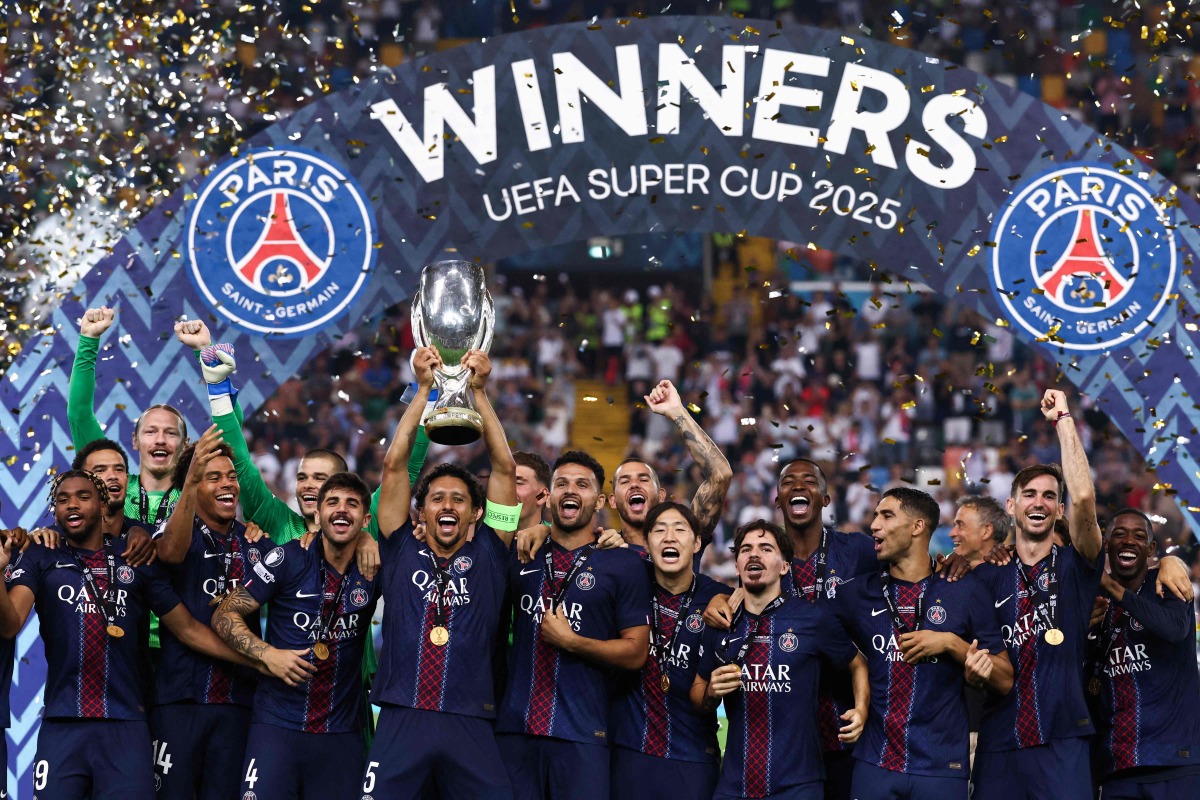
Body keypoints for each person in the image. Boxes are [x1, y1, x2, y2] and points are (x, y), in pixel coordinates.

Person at [0, 471, 254, 799]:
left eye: (83, 497)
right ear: (55, 511)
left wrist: (256, 662)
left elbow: (187, 629)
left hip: (127, 724)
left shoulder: (136, 557)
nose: (72, 505)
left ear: (103, 505)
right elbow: (10, 624)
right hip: (63, 722)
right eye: (63, 500)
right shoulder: (41, 555)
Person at [363, 345, 519, 799]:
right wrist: (423, 391)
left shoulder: (492, 551)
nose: (447, 505)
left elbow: (505, 468)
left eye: (458, 499)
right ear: (422, 511)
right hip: (401, 713)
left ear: (476, 514)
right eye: (437, 498)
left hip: (469, 718)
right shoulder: (399, 547)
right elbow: (394, 465)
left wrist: (480, 393)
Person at [705, 458, 878, 800]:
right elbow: (743, 596)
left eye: (809, 480)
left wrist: (954, 561)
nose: (798, 485)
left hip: (844, 730)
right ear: (777, 500)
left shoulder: (858, 551)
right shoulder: (765, 563)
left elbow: (911, 565)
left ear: (825, 499)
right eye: (788, 481)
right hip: (783, 735)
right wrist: (721, 597)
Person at [832, 488, 1012, 799]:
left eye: (887, 516)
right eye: (875, 516)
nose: (874, 525)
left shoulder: (965, 589)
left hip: (942, 766)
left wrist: (952, 644)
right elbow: (809, 629)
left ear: (917, 526)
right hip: (875, 762)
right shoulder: (855, 593)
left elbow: (1005, 679)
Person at [970, 390, 1106, 800]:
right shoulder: (986, 577)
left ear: (1060, 511)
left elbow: (1085, 497)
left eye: (1050, 496)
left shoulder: (1077, 566)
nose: (1039, 502)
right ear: (1011, 506)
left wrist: (1063, 419)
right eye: (1029, 494)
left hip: (1062, 739)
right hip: (1000, 741)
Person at [212, 472, 379, 800]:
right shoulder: (287, 557)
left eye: (352, 504)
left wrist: (370, 541)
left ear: (365, 519)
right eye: (332, 502)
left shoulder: (374, 568)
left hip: (341, 733)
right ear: (317, 513)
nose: (341, 510)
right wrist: (267, 654)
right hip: (277, 726)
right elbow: (224, 615)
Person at [496, 450, 651, 800]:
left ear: (599, 501)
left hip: (584, 736)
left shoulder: (623, 563)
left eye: (582, 485)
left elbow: (636, 652)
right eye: (562, 484)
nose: (570, 490)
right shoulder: (522, 553)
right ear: (548, 496)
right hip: (516, 731)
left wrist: (572, 642)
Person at [151, 427, 272, 799]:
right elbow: (171, 553)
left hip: (239, 703)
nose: (227, 485)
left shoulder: (258, 545)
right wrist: (263, 660)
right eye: (213, 477)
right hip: (180, 700)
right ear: (191, 484)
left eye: (231, 476)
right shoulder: (168, 535)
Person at [610, 502, 732, 799]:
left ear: (697, 543)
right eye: (659, 530)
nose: (669, 537)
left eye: (679, 529)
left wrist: (732, 597)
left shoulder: (719, 597)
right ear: (646, 543)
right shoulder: (628, 583)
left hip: (694, 758)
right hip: (630, 753)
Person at [1088, 508, 1200, 798]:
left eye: (1139, 536)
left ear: (1151, 549)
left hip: (1175, 762)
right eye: (1119, 534)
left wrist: (1112, 586)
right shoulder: (1094, 603)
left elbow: (1174, 629)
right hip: (1118, 768)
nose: (1128, 541)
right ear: (1107, 544)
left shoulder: (1168, 584)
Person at [70, 308, 190, 531]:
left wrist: (206, 354)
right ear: (135, 440)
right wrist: (89, 339)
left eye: (171, 433)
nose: (160, 440)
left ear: (185, 444)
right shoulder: (109, 485)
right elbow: (79, 414)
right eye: (150, 431)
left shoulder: (196, 495)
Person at [608, 379, 732, 551]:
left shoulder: (683, 541)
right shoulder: (601, 551)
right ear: (612, 500)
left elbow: (720, 475)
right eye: (625, 481)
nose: (634, 485)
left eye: (643, 479)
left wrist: (677, 412)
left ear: (661, 495)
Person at [949, 496, 1010, 567]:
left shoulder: (1014, 570)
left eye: (961, 525)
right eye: (954, 525)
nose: (951, 534)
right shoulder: (947, 569)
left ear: (986, 531)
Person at [514, 451, 551, 530]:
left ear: (542, 496)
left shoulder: (560, 536)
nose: (508, 489)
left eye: (519, 483)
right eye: (504, 483)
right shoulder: (486, 533)